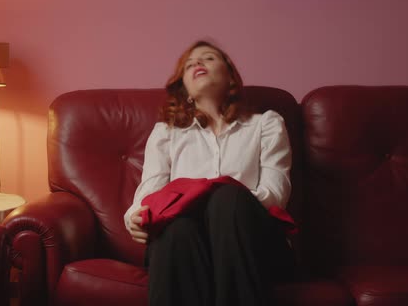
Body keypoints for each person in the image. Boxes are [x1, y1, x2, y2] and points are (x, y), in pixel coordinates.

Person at [123, 40, 296, 306]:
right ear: (186, 91)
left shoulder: (266, 124)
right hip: (185, 242)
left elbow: (275, 194)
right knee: (175, 228)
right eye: (189, 65)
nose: (197, 64)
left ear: (230, 77)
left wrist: (213, 197)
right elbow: (149, 194)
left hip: (254, 241)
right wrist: (135, 217)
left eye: (208, 58)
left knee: (227, 199)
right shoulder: (166, 132)